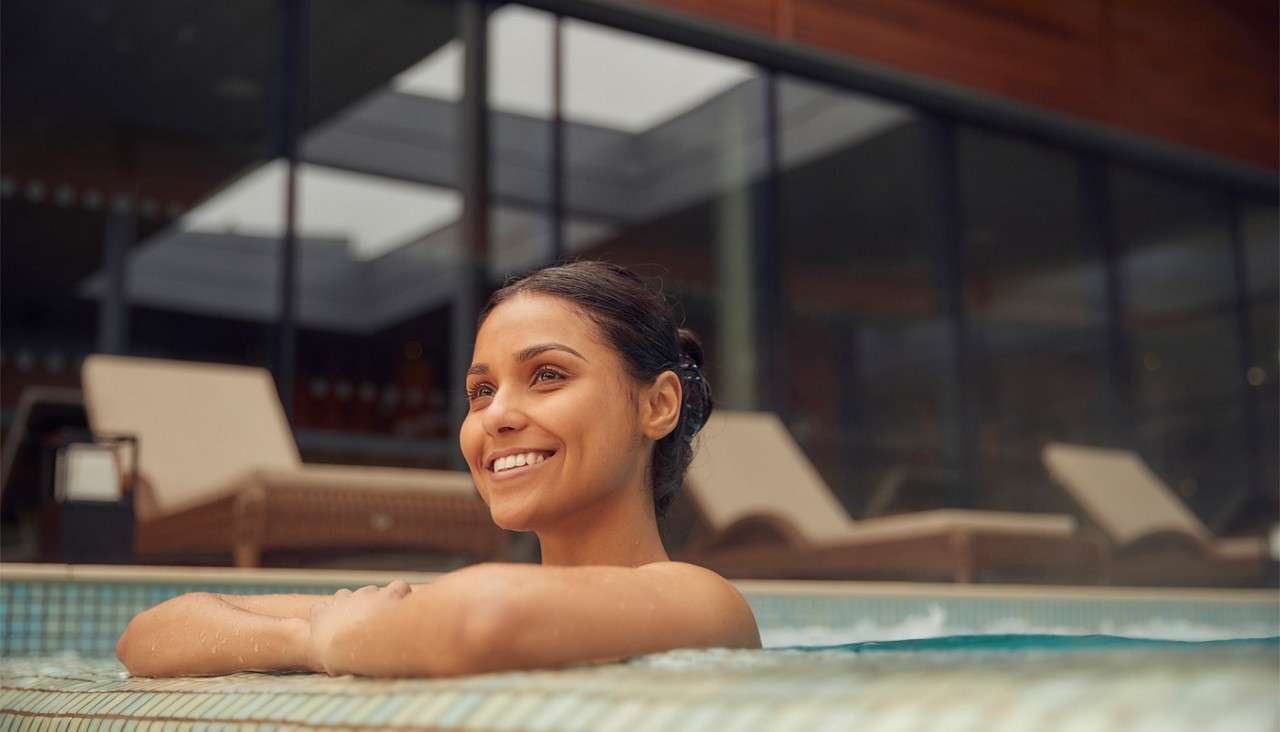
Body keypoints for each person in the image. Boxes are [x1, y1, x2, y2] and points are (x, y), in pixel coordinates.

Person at [116, 261, 761, 677]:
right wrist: (307, 641)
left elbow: (490, 620)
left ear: (658, 405)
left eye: (547, 375)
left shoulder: (706, 604)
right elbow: (152, 633)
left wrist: (342, 640)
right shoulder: (424, 618)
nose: (496, 417)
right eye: (480, 392)